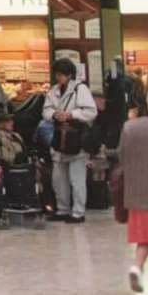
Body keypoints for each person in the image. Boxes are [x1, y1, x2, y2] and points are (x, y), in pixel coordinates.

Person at [44, 58, 98, 223]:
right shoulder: (53, 91)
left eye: (61, 74)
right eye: (57, 74)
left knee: (77, 178)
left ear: (69, 74)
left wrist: (71, 115)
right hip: (59, 138)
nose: (58, 77)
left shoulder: (80, 89)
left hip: (76, 139)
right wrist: (54, 115)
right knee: (59, 179)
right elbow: (46, 110)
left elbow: (91, 112)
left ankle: (78, 212)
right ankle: (62, 209)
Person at [121, 87, 148, 292]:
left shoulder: (130, 127)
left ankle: (136, 266)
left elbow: (122, 156)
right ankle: (136, 269)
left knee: (145, 238)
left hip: (137, 193)